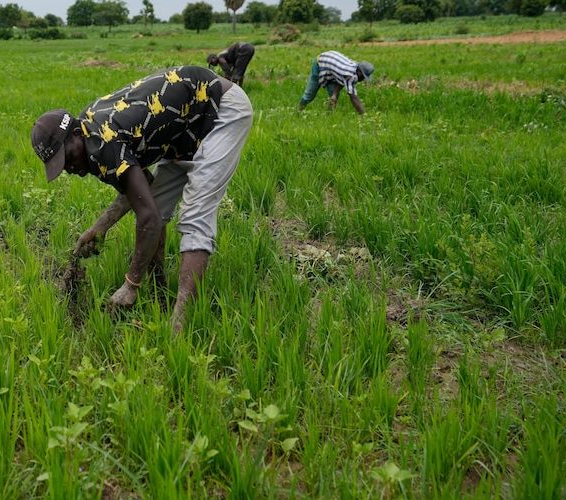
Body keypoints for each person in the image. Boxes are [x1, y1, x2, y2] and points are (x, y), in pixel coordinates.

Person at [31, 66, 253, 332]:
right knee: (157, 206)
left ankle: (179, 327)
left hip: (220, 110)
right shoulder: (91, 133)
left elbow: (147, 216)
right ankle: (160, 291)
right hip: (186, 127)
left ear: (76, 134)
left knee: (195, 215)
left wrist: (130, 284)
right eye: (60, 165)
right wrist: (100, 227)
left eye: (67, 157)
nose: (69, 168)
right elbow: (141, 188)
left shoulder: (102, 142)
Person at [297, 50, 374, 115]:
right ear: (359, 72)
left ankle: (329, 115)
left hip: (331, 67)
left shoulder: (355, 67)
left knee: (333, 96)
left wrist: (334, 94)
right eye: (364, 76)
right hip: (320, 63)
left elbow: (341, 79)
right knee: (310, 94)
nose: (363, 79)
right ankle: (298, 111)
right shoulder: (349, 75)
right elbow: (353, 97)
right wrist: (364, 115)